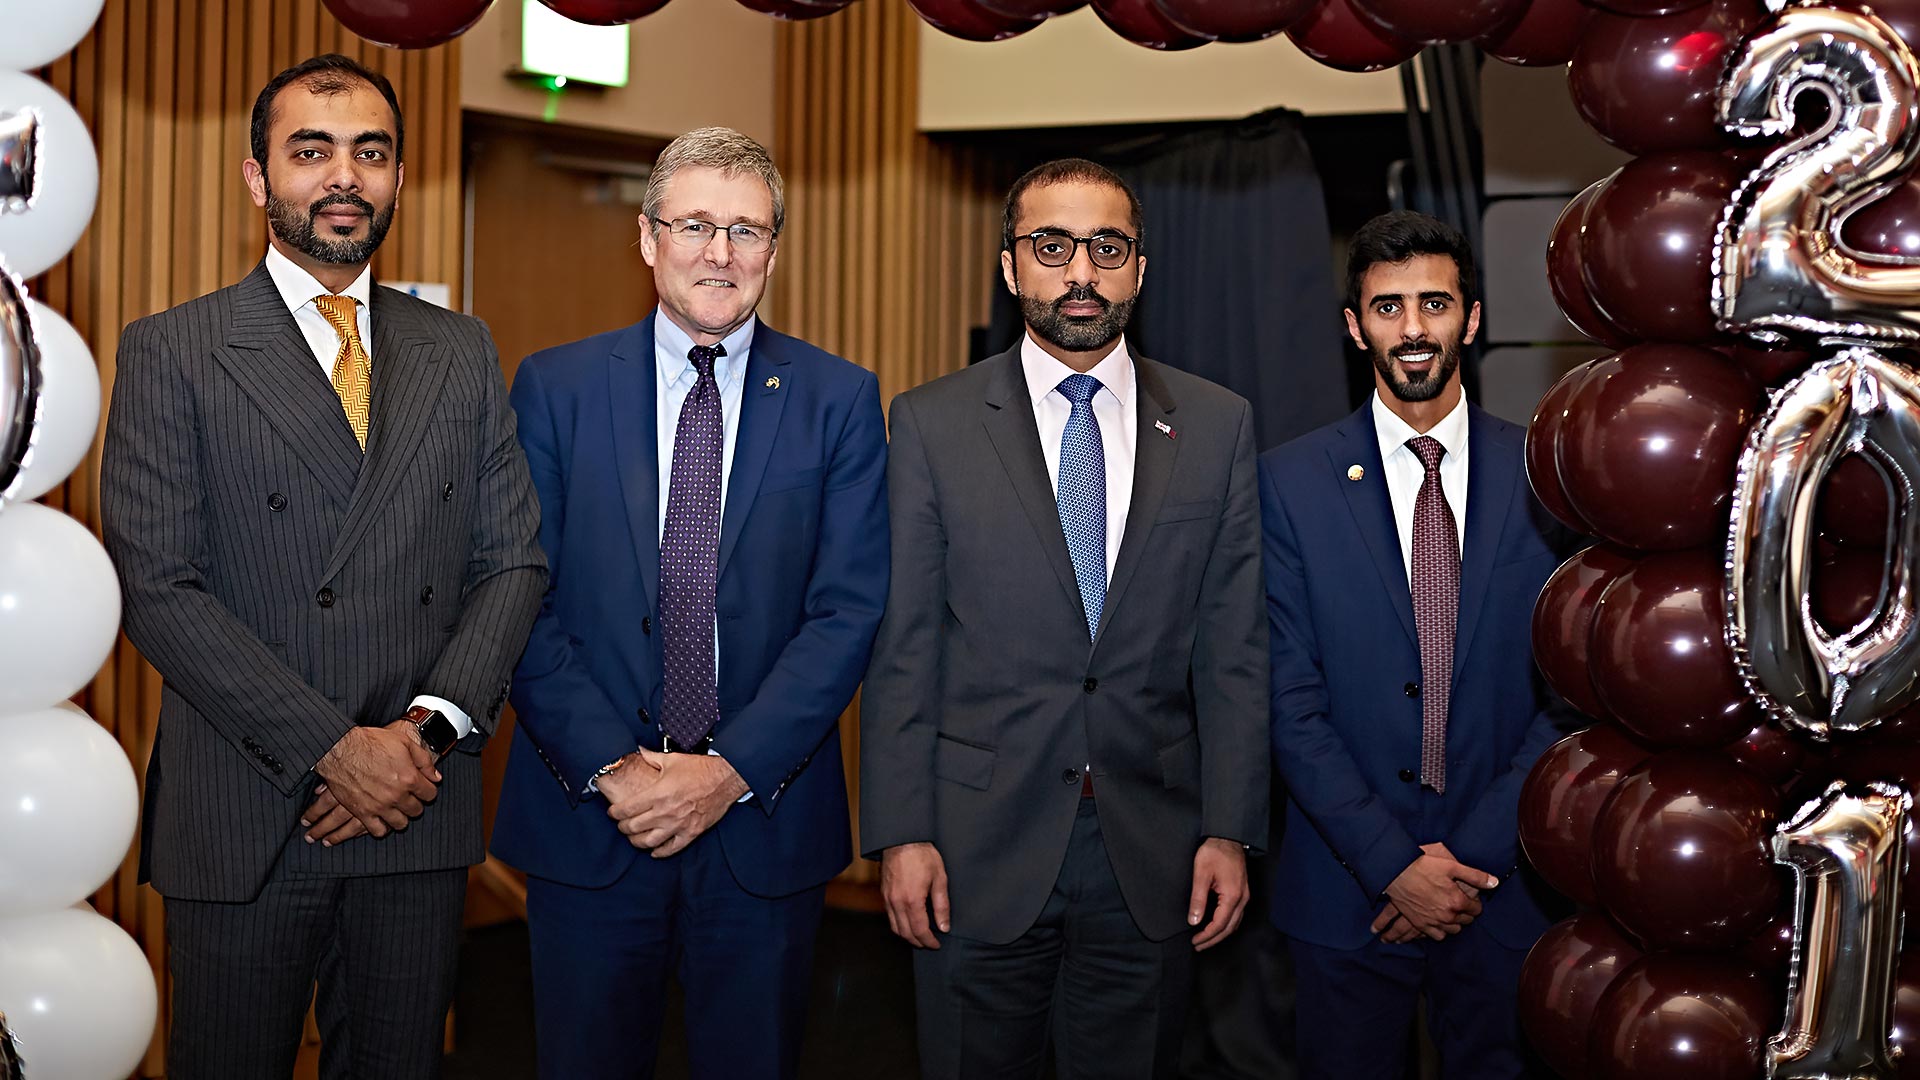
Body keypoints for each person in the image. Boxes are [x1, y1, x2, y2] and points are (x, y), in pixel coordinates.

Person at [99, 53, 547, 1080]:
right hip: (247, 806)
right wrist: (335, 749)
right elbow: (159, 587)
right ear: (259, 178)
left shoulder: (461, 348)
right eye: (312, 152)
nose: (343, 176)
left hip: (416, 803)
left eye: (370, 153)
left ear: (397, 176)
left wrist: (420, 737)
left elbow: (512, 563)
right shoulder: (175, 349)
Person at [491, 126, 889, 1080]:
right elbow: (514, 593)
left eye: (748, 230)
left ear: (774, 252)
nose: (722, 253)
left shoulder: (839, 399)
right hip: (593, 818)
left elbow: (848, 612)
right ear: (647, 236)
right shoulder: (556, 387)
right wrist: (615, 769)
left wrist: (726, 772)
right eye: (697, 225)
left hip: (762, 823)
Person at [860, 157, 1268, 1080]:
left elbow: (1235, 650)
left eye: (1106, 248)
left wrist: (1229, 829)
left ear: (1139, 268)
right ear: (1011, 268)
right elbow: (905, 648)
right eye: (1053, 247)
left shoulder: (1216, 424)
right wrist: (902, 833)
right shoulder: (929, 423)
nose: (1080, 273)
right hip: (973, 846)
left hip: (1154, 850)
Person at [1259, 210, 1575, 1078]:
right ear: (1354, 325)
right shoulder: (1287, 484)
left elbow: (1569, 697)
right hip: (1345, 889)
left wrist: (1466, 859)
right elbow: (1287, 699)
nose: (1412, 328)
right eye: (1388, 307)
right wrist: (1393, 865)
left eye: (1433, 303)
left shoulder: (1547, 475)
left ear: (1471, 319)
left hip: (1503, 887)